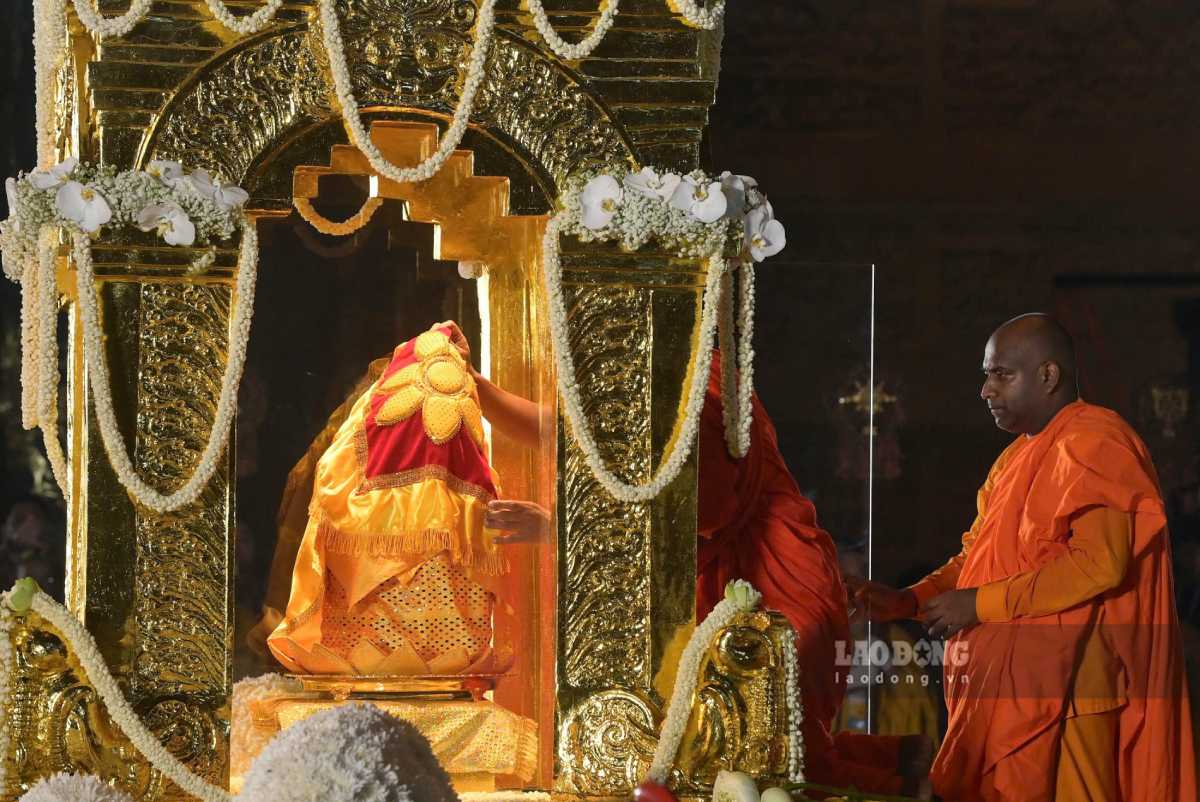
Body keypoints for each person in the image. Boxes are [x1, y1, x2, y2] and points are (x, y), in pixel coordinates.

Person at [441, 322, 931, 797]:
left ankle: (913, 784)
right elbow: (561, 432)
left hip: (775, 588)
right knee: (755, 757)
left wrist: (557, 528)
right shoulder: (643, 380)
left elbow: (693, 511)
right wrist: (472, 383)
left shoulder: (700, 388)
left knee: (764, 757)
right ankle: (905, 763)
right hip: (729, 581)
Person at [850, 313, 1197, 802]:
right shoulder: (1014, 459)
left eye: (1001, 374)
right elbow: (976, 559)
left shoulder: (1095, 440)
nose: (985, 390)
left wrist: (980, 605)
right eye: (986, 375)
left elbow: (1098, 564)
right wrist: (908, 600)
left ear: (1048, 375)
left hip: (1074, 689)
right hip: (1006, 686)